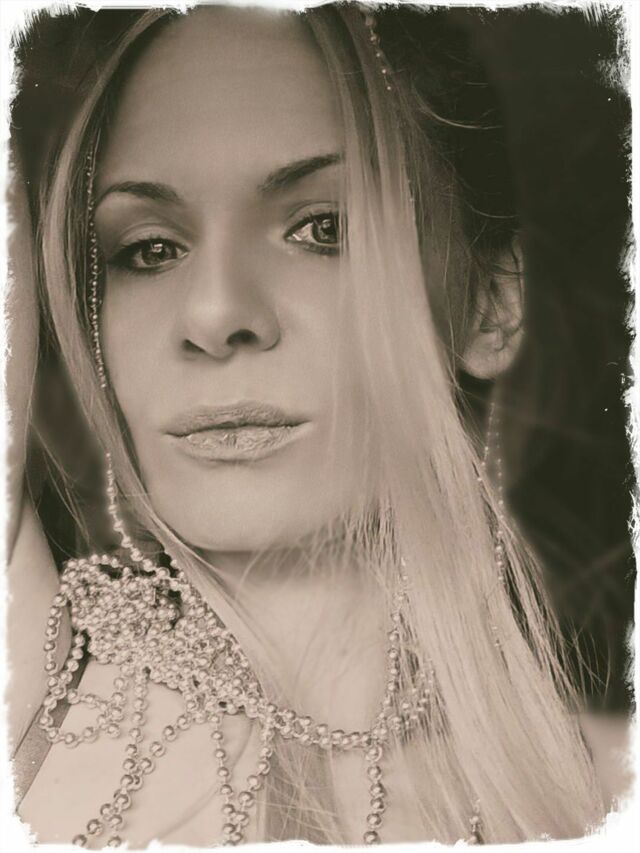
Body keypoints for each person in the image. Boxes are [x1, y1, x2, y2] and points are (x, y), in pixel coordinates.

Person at [5, 3, 624, 847]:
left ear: (489, 303)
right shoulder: (31, 720)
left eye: (322, 228)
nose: (215, 316)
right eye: (149, 248)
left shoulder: (604, 796)